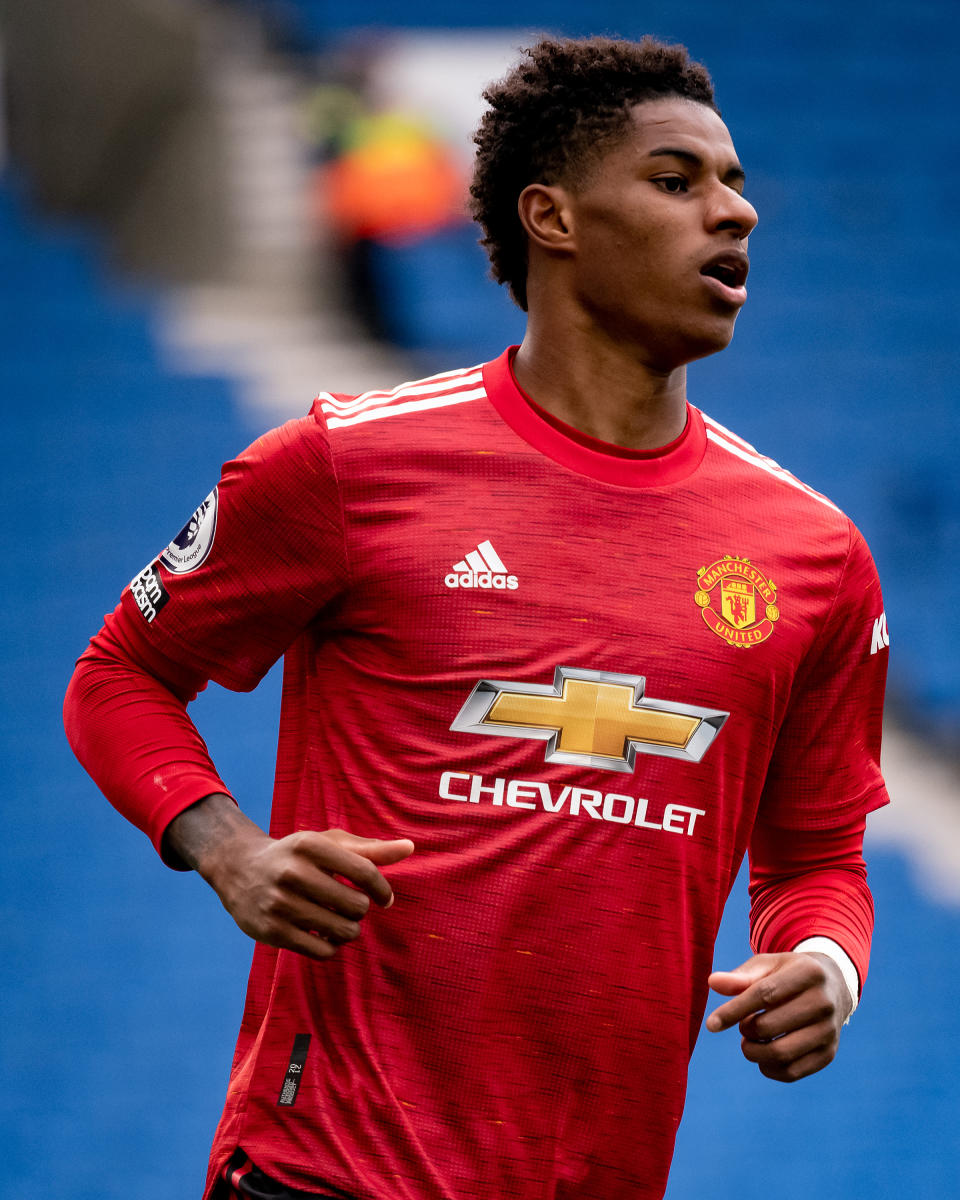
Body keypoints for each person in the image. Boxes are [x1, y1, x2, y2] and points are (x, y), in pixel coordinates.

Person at [64, 35, 890, 1200]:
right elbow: (118, 675)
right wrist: (228, 851)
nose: (734, 213)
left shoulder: (815, 556)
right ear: (550, 217)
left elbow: (818, 854)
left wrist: (823, 964)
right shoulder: (347, 465)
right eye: (677, 181)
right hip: (326, 1171)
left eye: (737, 184)